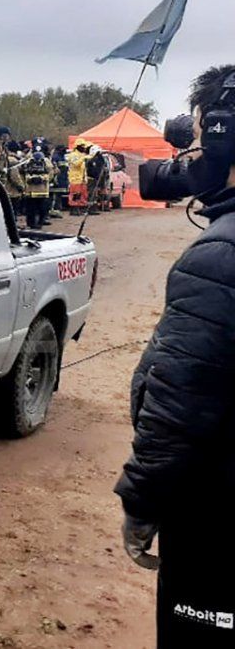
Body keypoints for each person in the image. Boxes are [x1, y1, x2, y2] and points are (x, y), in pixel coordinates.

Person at [116, 64, 235, 646]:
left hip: (219, 521)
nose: (183, 157)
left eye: (194, 139)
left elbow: (177, 410)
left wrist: (142, 500)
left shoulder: (218, 258)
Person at [0, 126, 26, 205]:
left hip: (2, 179)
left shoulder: (2, 146)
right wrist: (1, 169)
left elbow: (6, 157)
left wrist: (17, 157)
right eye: (7, 135)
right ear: (2, 135)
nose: (8, 138)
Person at [21, 150, 54, 229]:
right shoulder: (27, 162)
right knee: (31, 209)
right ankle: (31, 223)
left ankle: (39, 223)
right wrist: (30, 179)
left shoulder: (46, 162)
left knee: (41, 209)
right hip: (31, 190)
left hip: (42, 191)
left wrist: (41, 179)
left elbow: (50, 174)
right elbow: (23, 173)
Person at [66, 139, 91, 215]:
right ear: (78, 146)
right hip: (75, 178)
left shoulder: (82, 155)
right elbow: (75, 164)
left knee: (83, 194)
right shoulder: (73, 155)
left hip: (82, 179)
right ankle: (73, 209)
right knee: (75, 194)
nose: (84, 148)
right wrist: (83, 158)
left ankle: (81, 208)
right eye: (82, 146)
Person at [50, 145, 69, 216]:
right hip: (57, 179)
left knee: (59, 195)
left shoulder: (63, 157)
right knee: (55, 195)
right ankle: (54, 210)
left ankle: (58, 209)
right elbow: (54, 169)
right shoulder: (56, 157)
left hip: (63, 179)